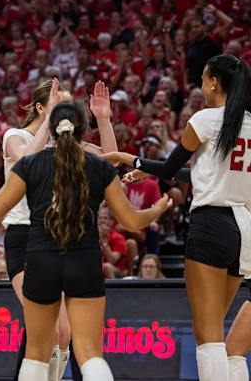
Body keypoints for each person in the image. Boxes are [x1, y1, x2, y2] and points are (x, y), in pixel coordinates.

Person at [0, 100, 171, 381]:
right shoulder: (98, 166)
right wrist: (156, 209)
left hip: (41, 259)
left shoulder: (30, 163)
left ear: (50, 130)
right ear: (84, 133)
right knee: (89, 352)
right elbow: (130, 221)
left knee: (37, 353)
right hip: (85, 260)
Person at [101, 54, 251, 381]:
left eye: (202, 80)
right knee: (218, 332)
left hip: (211, 224)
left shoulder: (204, 120)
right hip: (244, 230)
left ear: (214, 82)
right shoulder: (249, 123)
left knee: (207, 336)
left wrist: (131, 160)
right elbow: (202, 172)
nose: (201, 86)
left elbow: (170, 171)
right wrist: (139, 164)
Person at [0, 79, 118, 381]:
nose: (64, 111)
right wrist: (48, 129)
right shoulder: (16, 135)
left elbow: (110, 161)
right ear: (41, 107)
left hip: (62, 238)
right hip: (25, 237)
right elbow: (26, 159)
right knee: (52, 329)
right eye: (57, 104)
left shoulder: (69, 143)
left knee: (65, 333)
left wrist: (103, 120)